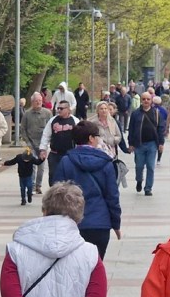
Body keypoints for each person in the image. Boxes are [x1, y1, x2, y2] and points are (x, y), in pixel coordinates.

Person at [54, 122, 121, 259]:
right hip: (99, 223)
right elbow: (112, 197)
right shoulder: (106, 163)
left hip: (72, 223)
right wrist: (116, 224)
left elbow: (56, 195)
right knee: (95, 266)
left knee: (73, 266)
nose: (99, 139)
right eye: (98, 136)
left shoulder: (66, 162)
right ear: (91, 138)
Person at [128, 92, 165, 196]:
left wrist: (161, 143)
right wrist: (131, 143)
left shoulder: (156, 113)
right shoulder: (135, 114)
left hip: (152, 144)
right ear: (141, 100)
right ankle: (139, 180)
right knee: (139, 166)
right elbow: (131, 129)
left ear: (151, 100)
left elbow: (160, 128)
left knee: (150, 166)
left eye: (148, 99)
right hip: (139, 144)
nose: (146, 101)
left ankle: (148, 188)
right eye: (144, 99)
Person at [39, 100, 79, 184]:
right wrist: (43, 149)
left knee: (69, 178)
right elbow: (46, 135)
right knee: (54, 177)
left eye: (61, 108)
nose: (59, 110)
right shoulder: (53, 120)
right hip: (55, 154)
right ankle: (54, 194)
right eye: (58, 108)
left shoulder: (75, 121)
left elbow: (80, 138)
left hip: (70, 154)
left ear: (68, 109)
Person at [22, 93, 53, 194]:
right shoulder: (27, 114)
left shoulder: (47, 113)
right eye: (36, 101)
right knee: (32, 164)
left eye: (40, 100)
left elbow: (51, 128)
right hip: (31, 143)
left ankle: (38, 186)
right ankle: (32, 185)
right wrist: (27, 142)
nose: (38, 102)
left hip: (43, 144)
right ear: (32, 102)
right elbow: (23, 129)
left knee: (41, 166)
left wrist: (48, 143)